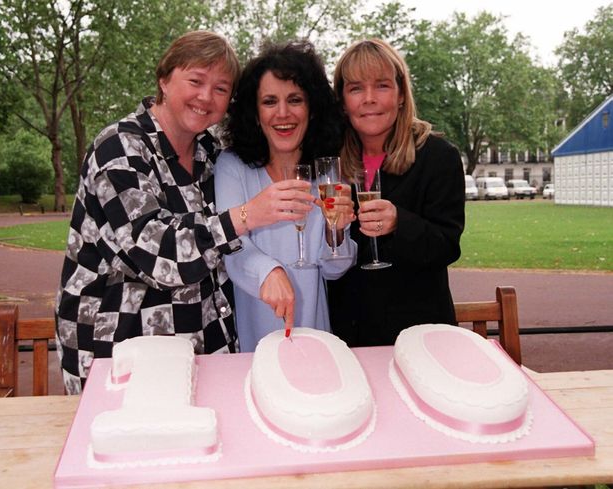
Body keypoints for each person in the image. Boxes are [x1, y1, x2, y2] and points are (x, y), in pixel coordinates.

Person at [55, 31, 315, 394]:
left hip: (203, 353)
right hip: (121, 357)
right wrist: (246, 216)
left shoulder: (211, 152)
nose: (206, 97)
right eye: (196, 81)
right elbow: (156, 254)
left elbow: (226, 246)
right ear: (164, 79)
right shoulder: (119, 149)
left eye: (221, 88)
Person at [215, 40, 357, 352]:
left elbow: (335, 269)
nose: (283, 113)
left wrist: (337, 230)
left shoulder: (327, 169)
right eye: (269, 101)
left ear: (312, 108)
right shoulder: (232, 166)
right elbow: (232, 247)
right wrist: (269, 271)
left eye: (295, 100)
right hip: (256, 336)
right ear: (254, 112)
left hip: (317, 336)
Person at [327, 38, 465, 347]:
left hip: (420, 336)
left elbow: (447, 246)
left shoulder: (438, 156)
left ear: (401, 95)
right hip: (348, 335)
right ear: (342, 101)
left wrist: (399, 223)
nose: (369, 99)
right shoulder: (329, 162)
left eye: (382, 86)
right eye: (356, 88)